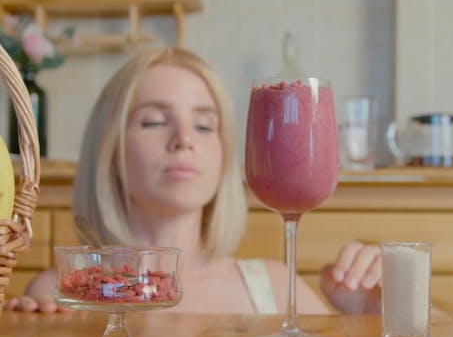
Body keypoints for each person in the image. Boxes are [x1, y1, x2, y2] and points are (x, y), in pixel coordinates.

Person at [5, 46, 381, 314]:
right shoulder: (61, 291)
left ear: (225, 153)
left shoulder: (276, 286)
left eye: (204, 125)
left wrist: (365, 315)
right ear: (109, 149)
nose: (184, 139)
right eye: (154, 121)